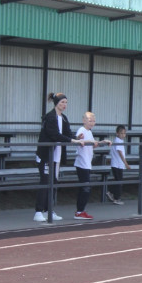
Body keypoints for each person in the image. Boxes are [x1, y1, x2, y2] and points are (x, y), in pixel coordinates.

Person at [34, 92, 84, 222]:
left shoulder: (64, 118)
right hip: (46, 155)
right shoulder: (50, 117)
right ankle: (38, 211)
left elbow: (67, 133)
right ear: (56, 103)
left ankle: (48, 210)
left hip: (56, 157)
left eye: (66, 102)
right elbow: (55, 135)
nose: (64, 104)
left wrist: (76, 138)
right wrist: (73, 141)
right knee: (45, 182)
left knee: (54, 183)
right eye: (62, 102)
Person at [73, 112, 111, 220]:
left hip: (87, 163)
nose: (92, 122)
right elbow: (78, 139)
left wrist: (103, 142)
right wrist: (82, 139)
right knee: (85, 188)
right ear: (84, 120)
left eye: (94, 120)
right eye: (90, 120)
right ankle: (79, 211)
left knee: (85, 188)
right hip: (82, 163)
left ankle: (80, 210)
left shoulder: (89, 132)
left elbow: (92, 145)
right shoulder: (82, 130)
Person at [107, 125, 130, 205]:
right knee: (119, 182)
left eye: (124, 133)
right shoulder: (118, 141)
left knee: (118, 181)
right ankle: (116, 198)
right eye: (121, 133)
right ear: (117, 133)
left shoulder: (119, 141)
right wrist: (126, 163)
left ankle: (111, 193)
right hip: (117, 165)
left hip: (118, 164)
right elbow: (120, 153)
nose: (123, 135)